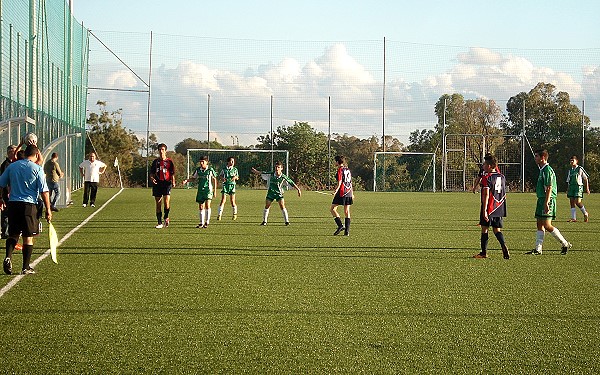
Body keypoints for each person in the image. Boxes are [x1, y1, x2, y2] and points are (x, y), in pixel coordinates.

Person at [0, 144, 52, 275]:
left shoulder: (13, 166)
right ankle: (25, 267)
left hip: (13, 204)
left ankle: (8, 256)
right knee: (28, 237)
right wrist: (48, 209)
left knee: (13, 234)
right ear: (35, 155)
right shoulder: (37, 168)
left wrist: (1, 199)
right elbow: (44, 191)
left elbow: (1, 183)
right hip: (29, 206)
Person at [527, 149, 572, 255]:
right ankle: (538, 249)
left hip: (548, 199)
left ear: (543, 158)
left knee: (547, 225)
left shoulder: (547, 170)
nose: (535, 158)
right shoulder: (542, 169)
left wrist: (546, 202)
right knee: (539, 224)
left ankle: (564, 243)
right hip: (541, 199)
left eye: (537, 156)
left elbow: (549, 187)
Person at [473, 154, 509, 259]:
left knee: (485, 229)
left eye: (484, 164)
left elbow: (486, 194)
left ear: (489, 166)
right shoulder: (502, 176)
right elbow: (504, 193)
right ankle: (503, 245)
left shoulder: (486, 178)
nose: (483, 166)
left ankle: (483, 253)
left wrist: (484, 210)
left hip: (489, 207)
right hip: (499, 207)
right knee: (497, 230)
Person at [251, 161, 301, 226]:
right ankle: (264, 221)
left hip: (279, 193)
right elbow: (262, 172)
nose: (277, 168)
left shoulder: (283, 177)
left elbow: (291, 182)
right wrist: (256, 172)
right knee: (267, 206)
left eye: (278, 167)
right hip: (271, 193)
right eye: (276, 167)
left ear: (281, 168)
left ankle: (287, 222)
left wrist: (298, 189)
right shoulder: (271, 174)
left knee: (282, 206)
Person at [182, 156, 218, 228]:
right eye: (200, 162)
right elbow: (193, 178)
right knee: (201, 206)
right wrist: (186, 180)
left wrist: (215, 190)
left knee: (207, 205)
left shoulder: (210, 170)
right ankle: (201, 223)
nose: (201, 163)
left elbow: (214, 180)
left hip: (208, 190)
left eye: (203, 162)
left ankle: (207, 222)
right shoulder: (198, 170)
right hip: (200, 190)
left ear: (206, 162)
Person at [150, 143, 175, 229]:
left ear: (165, 151)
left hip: (166, 183)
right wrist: (152, 178)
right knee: (158, 203)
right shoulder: (155, 162)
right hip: (157, 184)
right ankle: (159, 222)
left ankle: (166, 217)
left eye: (163, 149)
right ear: (158, 151)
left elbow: (172, 173)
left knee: (166, 202)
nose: (161, 151)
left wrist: (173, 181)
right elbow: (152, 173)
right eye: (160, 149)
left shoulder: (169, 162)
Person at [330, 155, 354, 236]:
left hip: (342, 192)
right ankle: (347, 232)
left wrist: (335, 191)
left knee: (333, 209)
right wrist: (352, 193)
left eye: (335, 161)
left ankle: (340, 225)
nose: (334, 162)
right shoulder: (348, 170)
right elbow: (350, 182)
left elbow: (340, 182)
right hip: (349, 191)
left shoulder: (340, 170)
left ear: (337, 162)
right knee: (347, 211)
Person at [566, 155, 590, 222]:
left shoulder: (580, 168)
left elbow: (586, 178)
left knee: (578, 202)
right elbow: (568, 180)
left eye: (573, 160)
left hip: (578, 187)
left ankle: (585, 213)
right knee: (572, 202)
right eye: (570, 160)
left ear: (576, 161)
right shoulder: (570, 170)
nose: (571, 162)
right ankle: (573, 218)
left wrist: (587, 188)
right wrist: (568, 189)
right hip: (571, 187)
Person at [0, 145, 17, 239]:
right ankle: (5, 232)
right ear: (9, 153)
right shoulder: (5, 164)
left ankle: (9, 231)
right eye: (13, 152)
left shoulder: (14, 163)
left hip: (13, 192)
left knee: (10, 212)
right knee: (6, 212)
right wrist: (6, 192)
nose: (14, 154)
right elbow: (4, 180)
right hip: (7, 193)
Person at [217, 156, 239, 221]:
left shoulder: (235, 169)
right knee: (223, 200)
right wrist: (223, 178)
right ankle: (219, 215)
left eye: (233, 161)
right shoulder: (224, 169)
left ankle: (234, 214)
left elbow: (237, 177)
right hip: (225, 186)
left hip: (232, 186)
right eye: (231, 161)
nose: (232, 162)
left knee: (232, 201)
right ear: (228, 162)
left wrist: (235, 177)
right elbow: (220, 175)